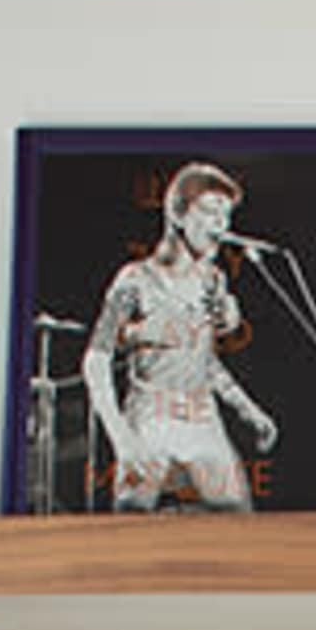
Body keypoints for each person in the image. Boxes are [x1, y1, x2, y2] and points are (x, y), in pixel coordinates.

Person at [82, 163, 278, 513]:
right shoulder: (135, 279)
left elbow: (204, 360)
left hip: (202, 415)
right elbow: (96, 360)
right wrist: (122, 440)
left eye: (227, 214)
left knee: (240, 519)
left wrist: (249, 410)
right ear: (178, 213)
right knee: (130, 524)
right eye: (210, 210)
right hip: (150, 414)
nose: (222, 224)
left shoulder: (214, 281)